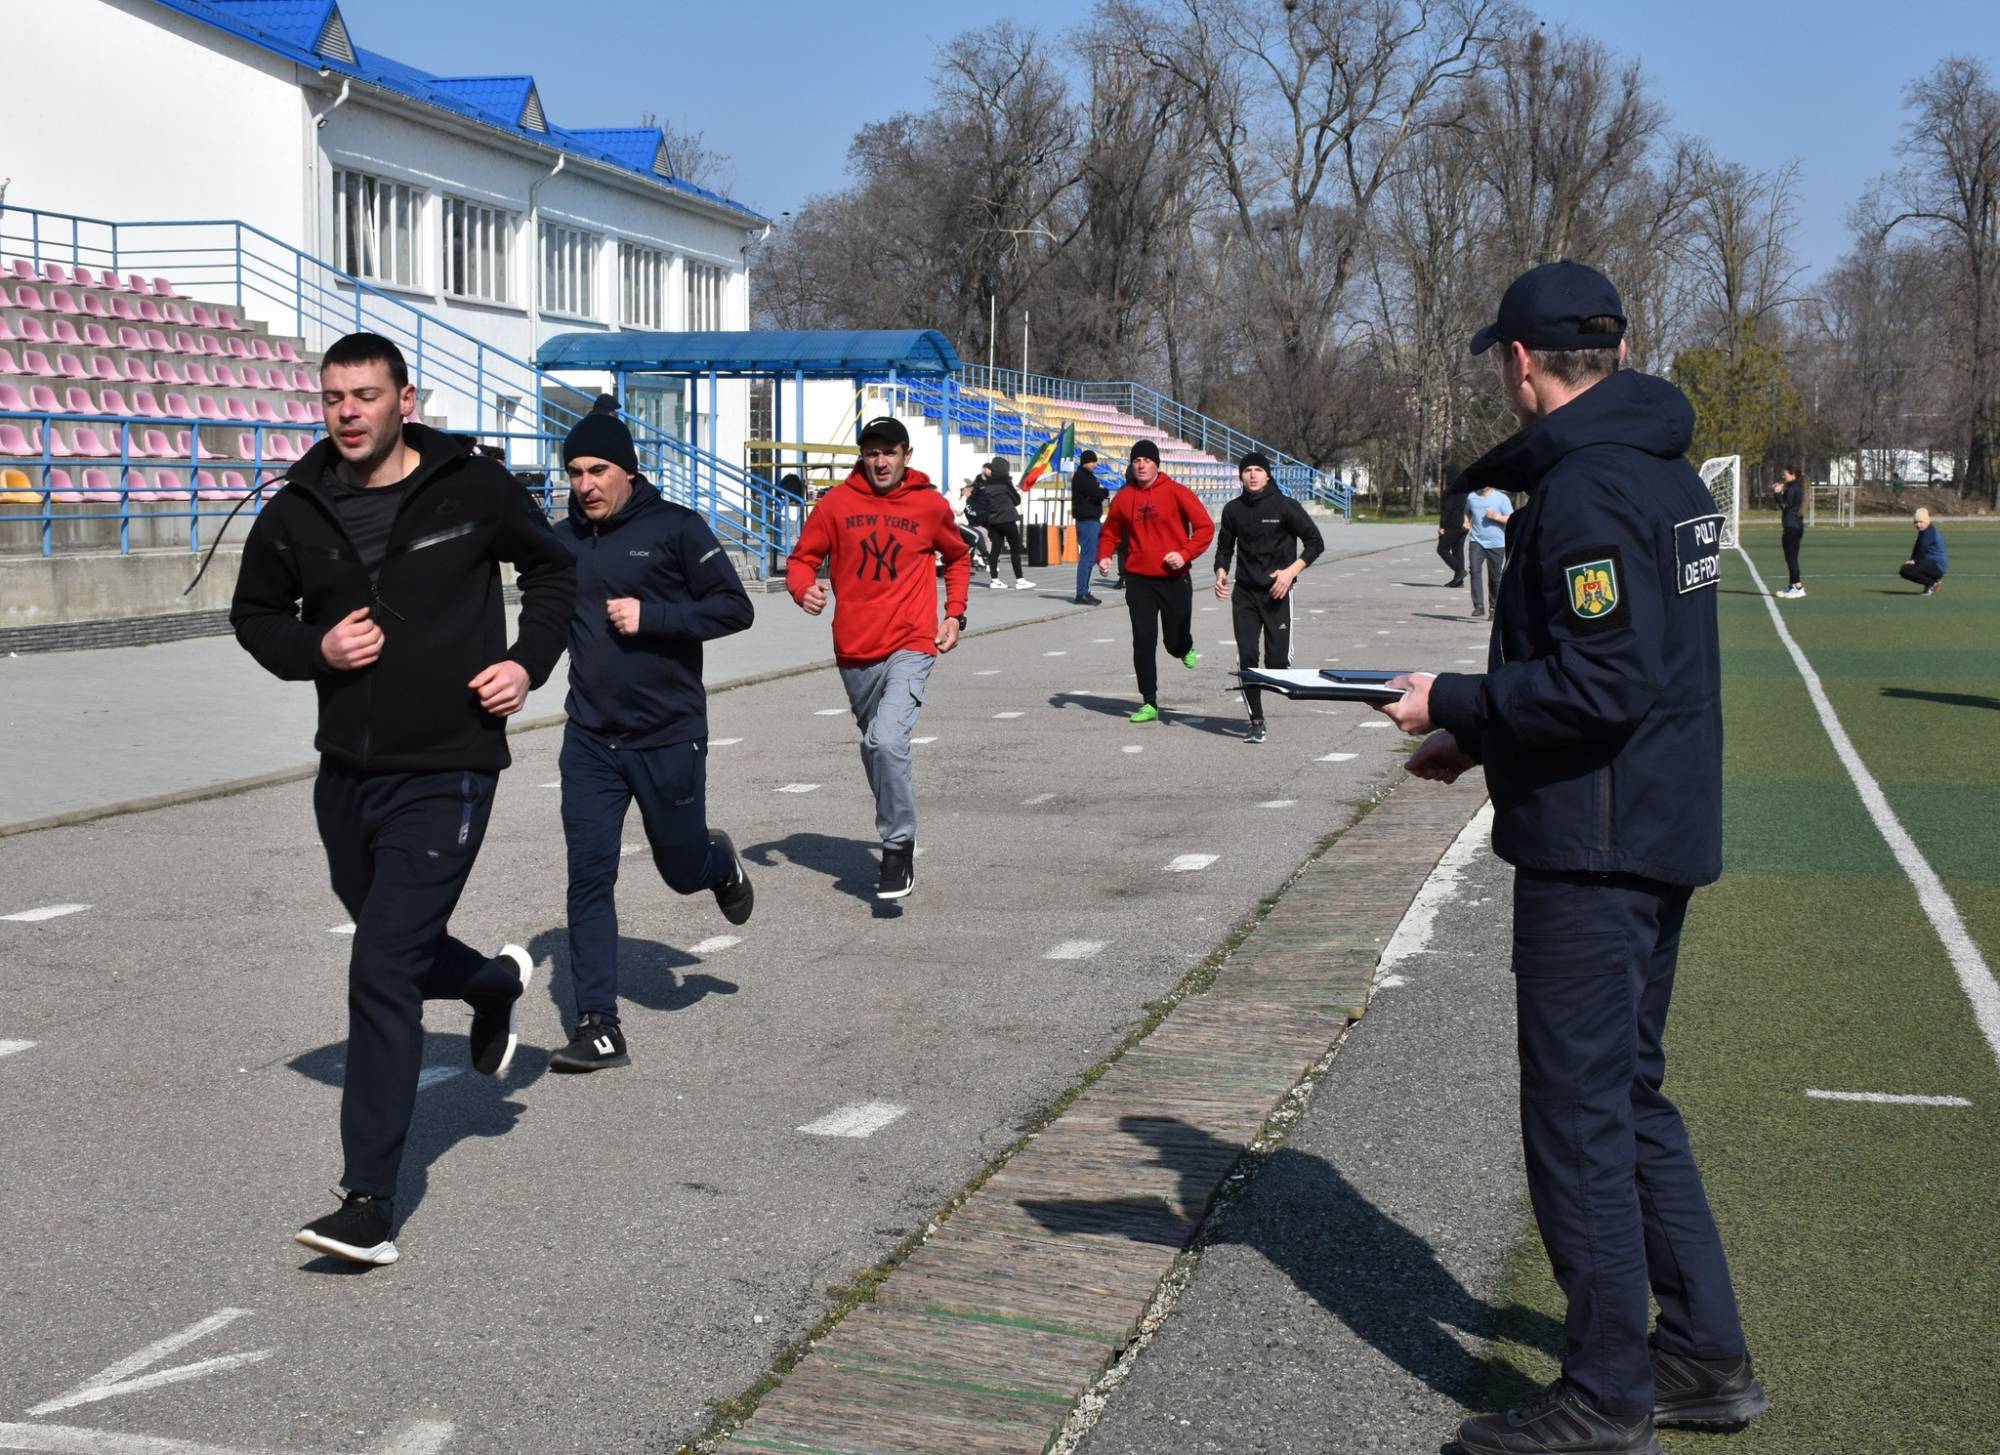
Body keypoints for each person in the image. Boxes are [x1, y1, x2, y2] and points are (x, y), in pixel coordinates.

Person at [1379, 261, 1767, 1455]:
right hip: (1647, 819)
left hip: (1597, 846)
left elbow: (1604, 679)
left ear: (1519, 362)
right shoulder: (1656, 467)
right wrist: (1478, 733)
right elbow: (1626, 668)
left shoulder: (1589, 482)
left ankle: (1606, 1394)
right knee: (1626, 1097)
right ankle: (1699, 1354)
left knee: (1578, 1117)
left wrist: (1452, 695)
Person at [229, 332, 577, 1266]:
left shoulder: (475, 486)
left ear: (405, 400)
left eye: (366, 395)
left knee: (380, 967)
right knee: (395, 940)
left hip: (450, 765)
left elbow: (553, 570)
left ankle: (368, 1204)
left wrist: (526, 663)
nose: (347, 412)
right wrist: (316, 650)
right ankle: (490, 982)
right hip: (346, 772)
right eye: (333, 397)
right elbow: (253, 616)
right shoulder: (298, 507)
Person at [550, 410, 756, 1073]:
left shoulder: (675, 528)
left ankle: (717, 865)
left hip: (667, 734)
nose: (584, 485)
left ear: (629, 472)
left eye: (597, 470)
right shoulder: (562, 539)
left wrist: (655, 616)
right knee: (589, 875)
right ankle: (598, 1025)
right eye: (574, 473)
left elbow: (736, 608)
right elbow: (544, 619)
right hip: (589, 739)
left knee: (679, 870)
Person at [786, 416, 972, 899]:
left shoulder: (929, 505)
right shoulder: (836, 504)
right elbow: (802, 559)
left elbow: (957, 556)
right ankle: (896, 825)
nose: (881, 461)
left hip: (912, 642)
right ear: (863, 457)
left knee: (886, 741)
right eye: (872, 452)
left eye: (890, 452)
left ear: (907, 455)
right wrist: (803, 589)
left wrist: (954, 614)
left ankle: (897, 846)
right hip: (854, 650)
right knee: (877, 748)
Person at [1095, 440, 1215, 723]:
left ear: (1156, 464)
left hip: (1173, 578)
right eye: (1137, 460)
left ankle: (1184, 647)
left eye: (1147, 460)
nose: (1141, 465)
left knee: (1173, 640)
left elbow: (1205, 528)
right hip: (1139, 580)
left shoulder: (1176, 492)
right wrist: (1104, 556)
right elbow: (1110, 532)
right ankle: (1149, 701)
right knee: (1143, 639)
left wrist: (1184, 554)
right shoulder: (1124, 497)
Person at [1213, 451, 1324, 742]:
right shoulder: (1233, 510)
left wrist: (1290, 573)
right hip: (1245, 594)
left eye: (1258, 470)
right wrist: (1221, 573)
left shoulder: (1286, 506)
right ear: (1241, 475)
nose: (1252, 475)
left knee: (1277, 665)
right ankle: (1256, 721)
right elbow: (1224, 548)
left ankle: (1280, 667)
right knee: (1247, 656)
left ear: (1268, 474)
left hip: (1278, 592)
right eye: (1247, 470)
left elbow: (1315, 543)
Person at [973, 455, 1031, 589]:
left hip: (993, 521)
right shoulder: (1005, 483)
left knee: (995, 550)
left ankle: (994, 580)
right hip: (1008, 519)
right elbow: (1017, 500)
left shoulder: (985, 485)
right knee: (1015, 549)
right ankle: (1020, 580)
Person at [1464, 477, 1513, 618]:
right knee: (1474, 570)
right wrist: (1466, 521)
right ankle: (1478, 605)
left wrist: (1496, 517)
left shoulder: (1501, 498)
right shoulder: (1471, 497)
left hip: (1496, 543)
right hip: (1477, 541)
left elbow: (1511, 518)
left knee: (1495, 578)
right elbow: (1467, 511)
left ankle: (1494, 607)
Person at [1070, 448, 1106, 605]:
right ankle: (1082, 593)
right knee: (1087, 557)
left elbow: (1096, 493)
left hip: (1090, 520)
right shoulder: (1082, 477)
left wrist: (1099, 492)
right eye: (1093, 462)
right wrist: (1102, 491)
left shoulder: (1087, 476)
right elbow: (1097, 493)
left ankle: (1084, 591)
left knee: (1090, 557)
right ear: (1086, 462)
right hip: (1087, 521)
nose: (1096, 465)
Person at [1772, 466, 1806, 599]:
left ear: (1793, 475)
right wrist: (1780, 491)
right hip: (1794, 526)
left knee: (1791, 559)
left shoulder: (1792, 488)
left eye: (1785, 474)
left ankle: (1798, 588)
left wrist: (1777, 493)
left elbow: (1784, 505)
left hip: (1792, 527)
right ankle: (1793, 585)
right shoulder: (1793, 487)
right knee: (1790, 558)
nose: (1783, 476)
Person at [1900, 506, 1948, 595]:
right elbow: (1917, 547)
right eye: (1916, 522)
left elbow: (1923, 547)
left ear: (1927, 521)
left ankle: (1932, 584)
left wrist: (1915, 561)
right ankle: (1931, 583)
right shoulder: (1924, 531)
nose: (1918, 525)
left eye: (1921, 522)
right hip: (1930, 565)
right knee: (1906, 568)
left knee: (1906, 570)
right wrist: (1912, 559)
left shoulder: (1929, 532)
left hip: (1937, 567)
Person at [1437, 466, 1470, 587]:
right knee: (1458, 550)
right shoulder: (1465, 489)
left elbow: (1447, 510)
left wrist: (1442, 526)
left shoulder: (1451, 490)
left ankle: (1460, 571)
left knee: (1442, 549)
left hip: (1452, 525)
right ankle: (1458, 581)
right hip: (1463, 525)